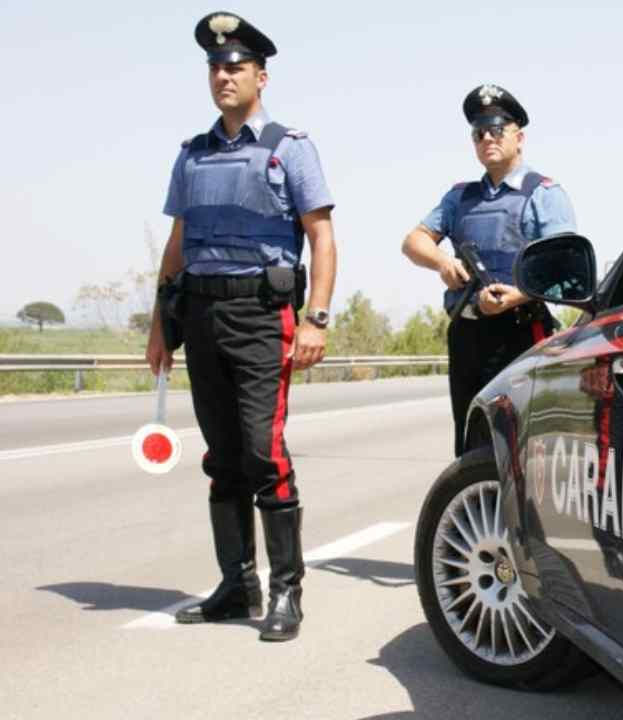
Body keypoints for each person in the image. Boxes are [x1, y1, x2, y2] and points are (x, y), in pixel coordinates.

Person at [145, 11, 336, 642]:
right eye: (215, 67)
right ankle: (236, 585)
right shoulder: (192, 155)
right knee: (222, 457)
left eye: (235, 67)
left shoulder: (289, 147)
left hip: (263, 316)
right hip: (200, 314)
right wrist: (158, 327)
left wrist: (317, 319)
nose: (223, 76)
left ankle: (287, 593)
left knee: (264, 451)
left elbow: (322, 236)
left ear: (261, 75)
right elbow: (177, 245)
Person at [402, 84, 576, 457]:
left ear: (519, 136)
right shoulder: (459, 196)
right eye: (479, 132)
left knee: (522, 445)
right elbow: (413, 241)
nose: (487, 138)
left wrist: (520, 294)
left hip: (520, 332)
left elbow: (563, 265)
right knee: (470, 444)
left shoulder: (544, 194)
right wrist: (443, 262)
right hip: (467, 333)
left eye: (497, 128)